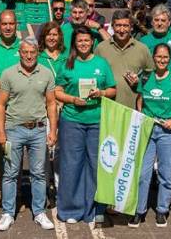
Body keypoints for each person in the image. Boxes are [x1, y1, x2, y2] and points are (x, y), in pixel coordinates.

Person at [54, 26, 116, 226]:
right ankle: (70, 209)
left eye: (87, 40)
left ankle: (94, 209)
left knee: (95, 166)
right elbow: (57, 91)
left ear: (92, 42)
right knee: (71, 165)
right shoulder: (67, 64)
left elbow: (112, 90)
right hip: (72, 121)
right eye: (79, 40)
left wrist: (101, 94)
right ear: (74, 43)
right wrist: (72, 99)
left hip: (97, 121)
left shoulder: (101, 64)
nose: (83, 44)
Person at [0, 38, 58, 231]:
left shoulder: (46, 74)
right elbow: (1, 105)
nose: (29, 56)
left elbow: (51, 104)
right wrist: (0, 131)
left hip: (38, 130)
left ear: (37, 52)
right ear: (19, 53)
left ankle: (39, 212)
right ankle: (7, 213)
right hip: (14, 129)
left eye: (32, 52)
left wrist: (53, 130)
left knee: (38, 173)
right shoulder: (8, 74)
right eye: (25, 52)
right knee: (10, 173)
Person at [133, 43, 171, 227]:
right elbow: (140, 100)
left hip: (169, 132)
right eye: (159, 57)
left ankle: (162, 210)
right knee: (143, 173)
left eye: (165, 57)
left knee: (166, 173)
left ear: (169, 58)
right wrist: (142, 115)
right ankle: (139, 210)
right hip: (148, 130)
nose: (162, 60)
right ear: (153, 58)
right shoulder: (146, 77)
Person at [97, 9, 153, 110]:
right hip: (106, 109)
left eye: (125, 26)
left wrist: (139, 82)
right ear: (112, 26)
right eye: (118, 25)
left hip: (132, 109)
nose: (122, 30)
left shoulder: (142, 49)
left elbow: (152, 77)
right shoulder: (101, 48)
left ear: (131, 27)